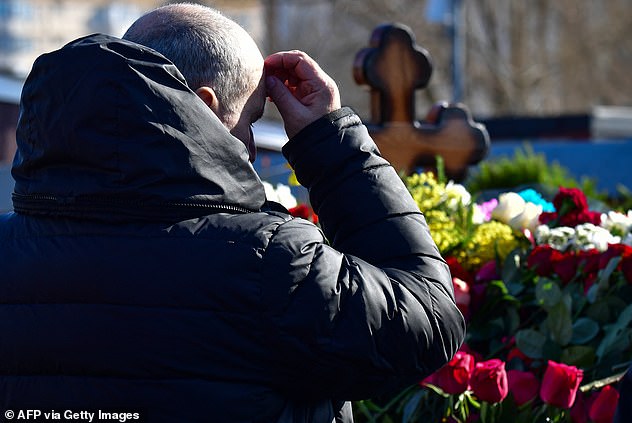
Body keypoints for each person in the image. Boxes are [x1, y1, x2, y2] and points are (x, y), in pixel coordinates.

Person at [0, 3, 465, 422]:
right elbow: (427, 317)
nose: (253, 148)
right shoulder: (268, 263)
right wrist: (330, 144)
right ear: (204, 108)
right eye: (253, 117)